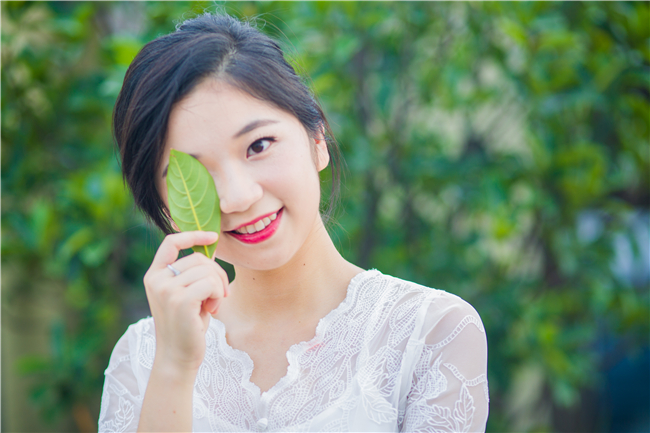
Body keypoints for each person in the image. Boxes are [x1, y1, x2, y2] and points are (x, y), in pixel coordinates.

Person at [98, 12, 489, 433]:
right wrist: (174, 368)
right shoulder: (140, 359)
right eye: (193, 175)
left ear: (317, 140)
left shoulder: (430, 333)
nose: (238, 196)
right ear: (165, 206)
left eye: (259, 145)